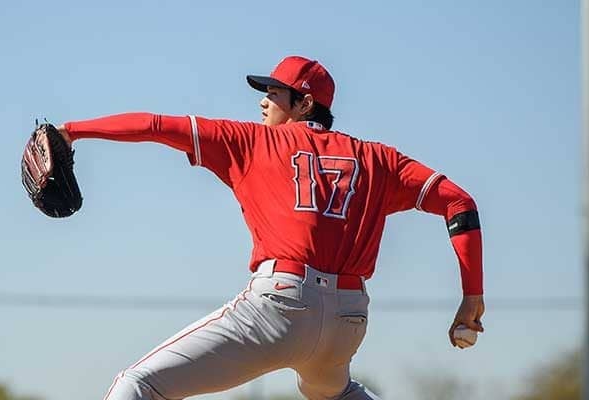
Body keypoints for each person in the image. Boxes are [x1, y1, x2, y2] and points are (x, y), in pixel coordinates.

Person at [57, 55, 485, 400]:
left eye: (275, 93)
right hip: (348, 319)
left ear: (304, 104)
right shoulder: (379, 159)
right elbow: (459, 203)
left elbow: (154, 126)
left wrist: (71, 132)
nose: (264, 101)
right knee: (332, 393)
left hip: (281, 305)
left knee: (139, 385)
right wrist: (471, 297)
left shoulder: (252, 141)